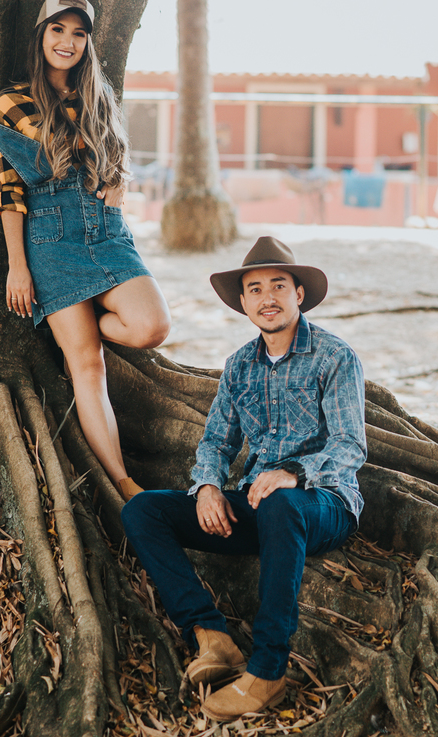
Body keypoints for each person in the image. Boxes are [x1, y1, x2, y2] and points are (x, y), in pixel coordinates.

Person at [120, 236, 366, 721]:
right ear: (243, 302)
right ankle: (211, 637)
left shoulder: (335, 357)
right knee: (143, 510)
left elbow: (349, 445)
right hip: (258, 505)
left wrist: (292, 473)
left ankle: (269, 668)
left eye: (278, 286)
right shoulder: (238, 366)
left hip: (323, 504)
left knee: (279, 502)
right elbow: (216, 442)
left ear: (299, 295)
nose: (266, 298)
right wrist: (208, 486)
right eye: (254, 289)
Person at [0, 0, 170, 502]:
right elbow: (9, 189)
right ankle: (124, 483)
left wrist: (119, 185)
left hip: (107, 232)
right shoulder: (10, 103)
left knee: (152, 325)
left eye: (78, 33)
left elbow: (117, 165)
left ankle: (81, 329)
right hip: (50, 237)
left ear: (88, 43)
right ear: (41, 35)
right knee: (88, 366)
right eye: (58, 30)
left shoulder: (99, 98)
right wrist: (17, 268)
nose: (67, 41)